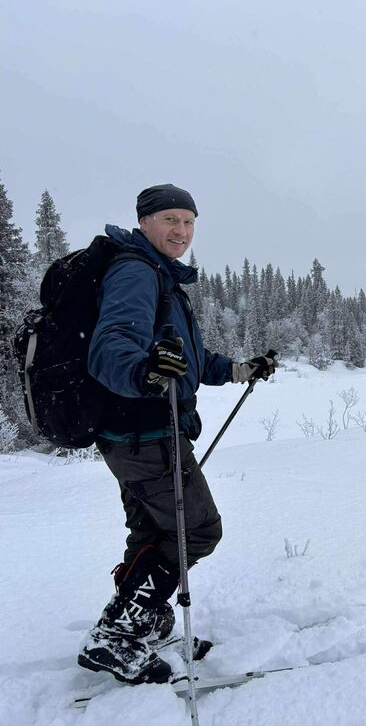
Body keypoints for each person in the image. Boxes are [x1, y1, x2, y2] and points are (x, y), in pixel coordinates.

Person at [77, 184, 278, 684]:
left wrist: (238, 369)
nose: (181, 231)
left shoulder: (160, 276)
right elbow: (110, 346)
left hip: (135, 433)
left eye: (188, 222)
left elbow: (187, 359)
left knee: (154, 530)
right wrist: (144, 372)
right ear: (144, 222)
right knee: (198, 530)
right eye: (170, 219)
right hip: (145, 432)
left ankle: (138, 620)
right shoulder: (136, 272)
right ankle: (118, 634)